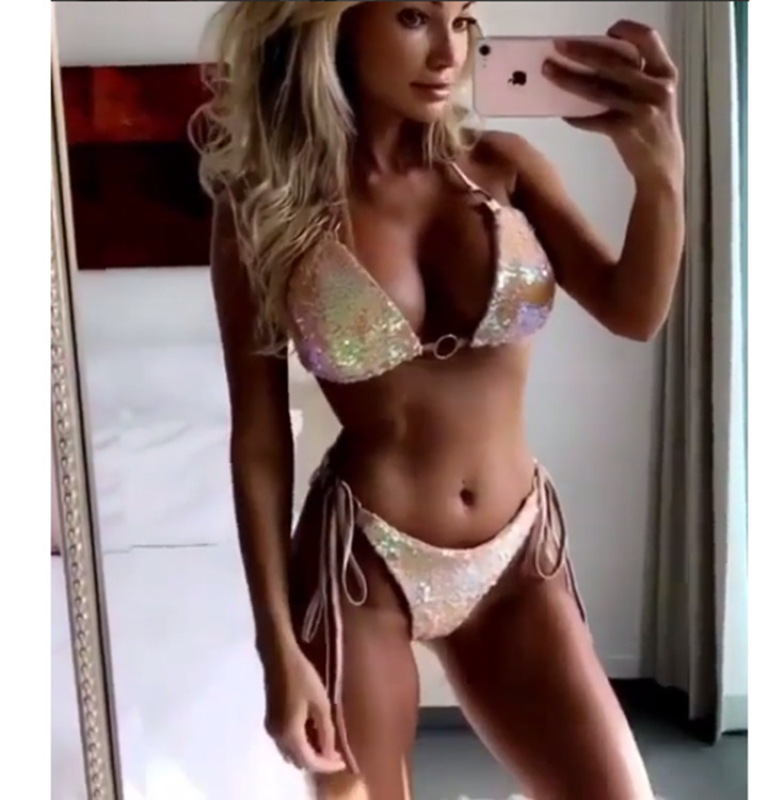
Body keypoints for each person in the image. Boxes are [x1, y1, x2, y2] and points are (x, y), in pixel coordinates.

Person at [194, 2, 685, 798]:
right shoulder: (265, 206)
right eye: (413, 17)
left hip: (517, 559)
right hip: (361, 566)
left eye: (461, 20)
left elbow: (635, 311)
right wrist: (276, 646)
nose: (448, 53)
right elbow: (258, 439)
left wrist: (659, 176)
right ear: (338, 25)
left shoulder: (503, 167)